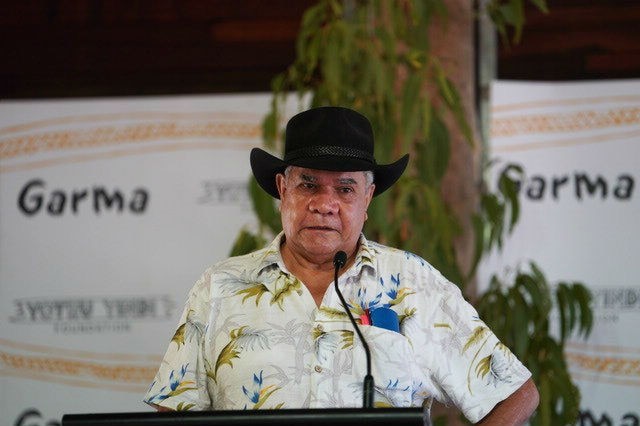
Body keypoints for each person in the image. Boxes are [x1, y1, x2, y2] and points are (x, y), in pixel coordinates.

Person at [144, 106, 539, 424]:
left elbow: (516, 393)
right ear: (283, 189)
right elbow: (172, 412)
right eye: (308, 184)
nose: (325, 204)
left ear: (367, 198)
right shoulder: (219, 288)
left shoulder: (412, 282)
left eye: (345, 188)